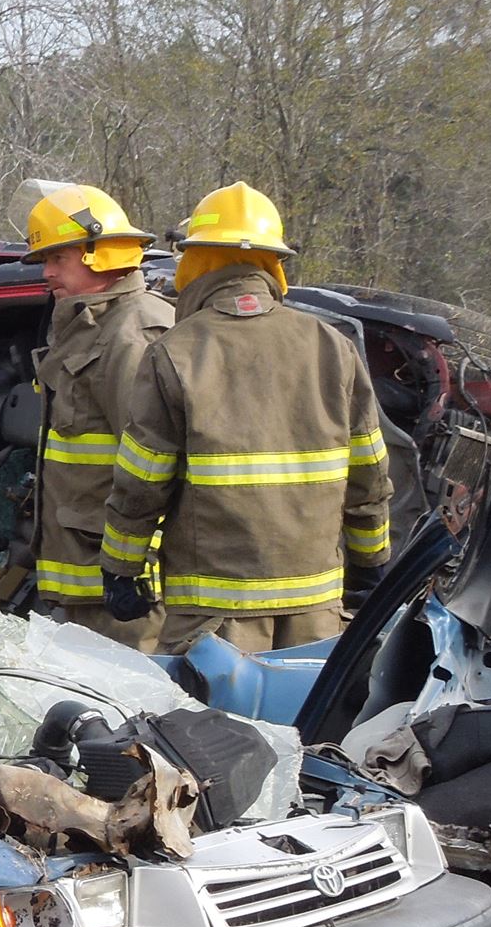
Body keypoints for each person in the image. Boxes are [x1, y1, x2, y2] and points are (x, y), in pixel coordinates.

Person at [101, 181, 392, 655]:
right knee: (309, 709)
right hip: (315, 613)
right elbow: (369, 475)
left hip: (215, 618)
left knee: (212, 710)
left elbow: (142, 481)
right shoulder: (331, 346)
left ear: (197, 260)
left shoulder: (175, 352)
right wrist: (370, 562)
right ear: (272, 263)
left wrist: (121, 567)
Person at [22, 182, 173, 650]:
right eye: (44, 260)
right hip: (90, 581)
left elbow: (158, 465)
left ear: (100, 253)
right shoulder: (90, 326)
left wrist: (135, 572)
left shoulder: (133, 335)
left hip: (125, 593)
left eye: (58, 258)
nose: (47, 272)